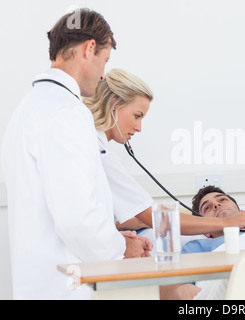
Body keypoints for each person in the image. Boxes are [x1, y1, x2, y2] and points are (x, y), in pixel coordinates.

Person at [1, 9, 150, 300]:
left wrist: (112, 237)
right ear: (89, 48)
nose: (103, 74)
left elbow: (57, 211)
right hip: (66, 289)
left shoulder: (27, 110)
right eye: (104, 61)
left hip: (39, 283)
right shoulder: (67, 112)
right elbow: (77, 219)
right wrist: (122, 248)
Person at [83, 69, 245, 237]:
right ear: (114, 104)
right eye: (137, 116)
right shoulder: (101, 155)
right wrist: (226, 222)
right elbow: (156, 217)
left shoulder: (94, 147)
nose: (138, 128)